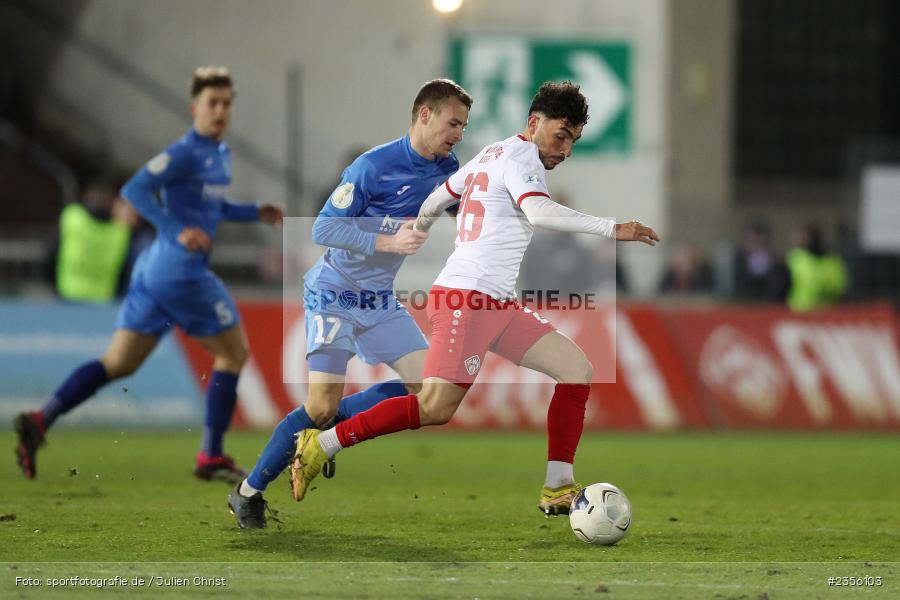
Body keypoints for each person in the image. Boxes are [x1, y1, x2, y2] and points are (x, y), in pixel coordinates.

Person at [288, 81, 659, 517]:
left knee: (577, 370)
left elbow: (437, 197)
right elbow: (538, 212)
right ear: (534, 123)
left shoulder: (491, 154)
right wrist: (612, 228)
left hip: (496, 302)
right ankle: (323, 443)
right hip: (467, 298)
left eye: (573, 140)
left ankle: (557, 485)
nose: (566, 149)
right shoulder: (523, 160)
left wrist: (421, 227)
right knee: (434, 407)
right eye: (561, 135)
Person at [14, 66, 285, 483]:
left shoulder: (220, 155)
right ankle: (210, 455)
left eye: (227, 104)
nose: (220, 111)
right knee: (233, 354)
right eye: (213, 103)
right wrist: (178, 230)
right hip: (181, 275)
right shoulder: (183, 153)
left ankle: (41, 418)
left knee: (118, 362)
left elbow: (213, 208)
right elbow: (135, 190)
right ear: (195, 107)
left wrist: (254, 211)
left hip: (153, 274)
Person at [227, 79, 472, 528]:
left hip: (379, 300)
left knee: (429, 391)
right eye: (453, 123)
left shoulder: (447, 166)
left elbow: (459, 207)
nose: (458, 133)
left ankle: (328, 437)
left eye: (463, 126)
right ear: (425, 115)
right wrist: (387, 240)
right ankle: (247, 493)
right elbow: (321, 229)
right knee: (319, 406)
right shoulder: (371, 166)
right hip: (334, 293)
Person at [786, 223, 848, 311]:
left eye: (803, 237)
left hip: (827, 312)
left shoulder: (832, 260)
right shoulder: (795, 258)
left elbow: (840, 287)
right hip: (800, 312)